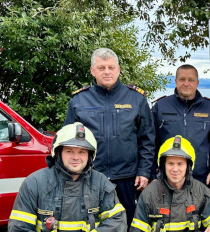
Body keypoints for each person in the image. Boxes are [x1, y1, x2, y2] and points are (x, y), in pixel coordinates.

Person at [65, 48, 154, 221]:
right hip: (90, 176)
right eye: (101, 67)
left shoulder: (136, 99)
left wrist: (144, 171)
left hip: (128, 179)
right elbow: (68, 143)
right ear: (92, 70)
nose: (107, 72)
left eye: (111, 67)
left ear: (118, 69)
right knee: (91, 224)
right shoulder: (79, 101)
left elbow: (147, 140)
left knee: (127, 225)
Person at [151, 64, 210, 185]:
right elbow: (150, 142)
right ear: (175, 82)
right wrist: (151, 174)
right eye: (182, 80)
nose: (186, 83)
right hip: (167, 180)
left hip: (202, 178)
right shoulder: (160, 106)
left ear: (197, 83)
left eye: (191, 80)